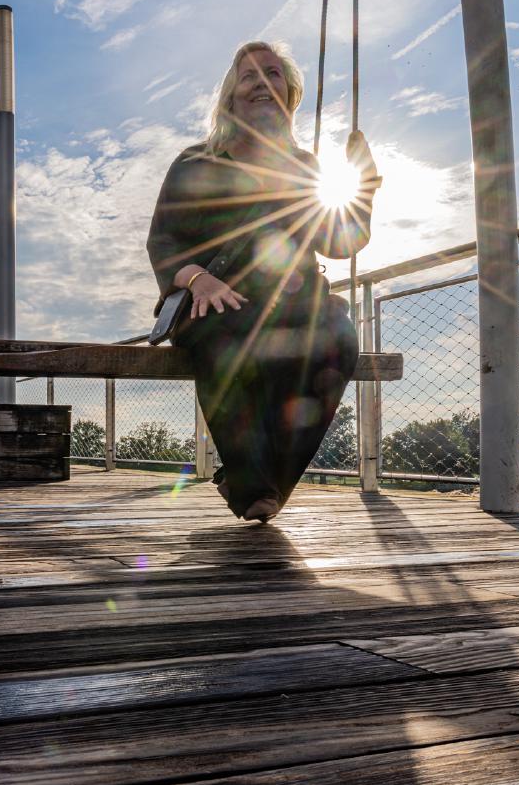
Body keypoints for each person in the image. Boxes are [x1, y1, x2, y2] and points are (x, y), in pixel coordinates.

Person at [147, 40, 380, 522]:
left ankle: (264, 484)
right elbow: (164, 241)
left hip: (294, 303)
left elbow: (339, 242)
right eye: (248, 75)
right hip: (217, 300)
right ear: (231, 95)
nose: (260, 82)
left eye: (272, 74)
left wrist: (365, 188)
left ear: (289, 95)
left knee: (338, 331)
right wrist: (197, 282)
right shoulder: (196, 163)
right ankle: (254, 487)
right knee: (225, 335)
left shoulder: (305, 169)